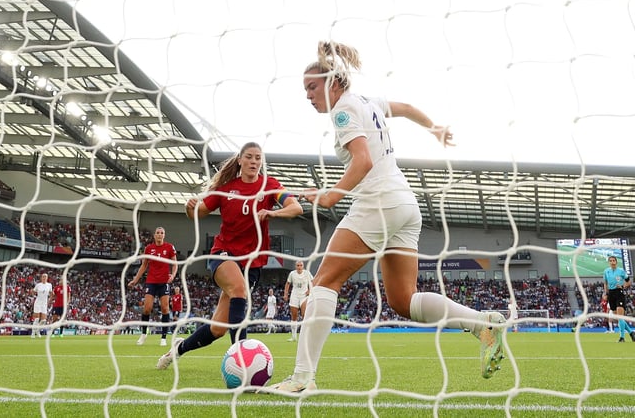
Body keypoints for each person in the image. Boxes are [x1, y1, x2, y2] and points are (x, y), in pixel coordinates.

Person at [274, 41, 506, 392]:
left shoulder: (343, 110)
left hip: (377, 203)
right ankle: (482, 324)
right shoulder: (369, 102)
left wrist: (332, 194)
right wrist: (434, 128)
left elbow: (363, 160)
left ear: (333, 81)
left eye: (311, 86)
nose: (307, 95)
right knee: (403, 299)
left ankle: (302, 379)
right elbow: (408, 108)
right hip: (404, 205)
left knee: (324, 283)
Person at [156, 142, 303, 370]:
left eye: (258, 158)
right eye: (250, 157)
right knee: (239, 290)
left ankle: (177, 349)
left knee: (218, 328)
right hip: (223, 254)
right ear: (240, 161)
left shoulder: (270, 186)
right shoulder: (226, 189)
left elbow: (296, 208)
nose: (254, 161)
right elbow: (198, 213)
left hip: (252, 262)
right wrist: (190, 206)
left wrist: (273, 212)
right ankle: (242, 359)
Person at [128, 226, 178, 346]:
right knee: (147, 308)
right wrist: (135, 280)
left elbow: (175, 263)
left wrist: (173, 275)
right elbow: (144, 266)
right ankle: (144, 334)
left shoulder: (169, 247)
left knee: (165, 308)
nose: (160, 234)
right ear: (154, 235)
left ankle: (163, 338)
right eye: (158, 233)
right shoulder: (149, 249)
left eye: (162, 233)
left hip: (164, 282)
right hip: (151, 281)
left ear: (164, 235)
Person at [602, 255, 634, 342]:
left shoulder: (621, 271)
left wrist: (623, 286)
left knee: (620, 316)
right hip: (611, 294)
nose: (612, 262)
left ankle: (622, 337)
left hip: (619, 293)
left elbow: (628, 282)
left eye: (613, 260)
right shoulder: (606, 272)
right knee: (618, 317)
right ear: (609, 262)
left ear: (616, 262)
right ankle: (631, 332)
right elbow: (605, 283)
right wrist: (605, 293)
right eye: (610, 261)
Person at [283, 261, 313, 341]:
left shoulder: (307, 273)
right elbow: (287, 284)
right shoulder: (292, 274)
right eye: (298, 265)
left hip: (304, 296)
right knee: (294, 316)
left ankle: (305, 336)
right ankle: (293, 336)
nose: (299, 267)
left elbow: (313, 282)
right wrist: (285, 294)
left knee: (304, 315)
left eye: (301, 265)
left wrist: (310, 290)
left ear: (303, 266)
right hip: (294, 296)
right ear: (295, 266)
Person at [31, 273, 53, 338]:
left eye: (45, 277)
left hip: (44, 303)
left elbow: (51, 293)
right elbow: (33, 291)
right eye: (43, 276)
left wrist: (49, 300)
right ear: (41, 278)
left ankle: (38, 331)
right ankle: (33, 333)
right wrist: (33, 296)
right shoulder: (38, 285)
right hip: (38, 302)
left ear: (47, 278)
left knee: (43, 320)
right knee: (37, 319)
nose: (44, 278)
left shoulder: (49, 285)